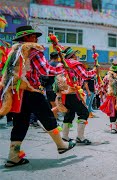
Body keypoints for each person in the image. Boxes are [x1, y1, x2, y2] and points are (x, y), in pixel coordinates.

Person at [0, 25, 76, 168]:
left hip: (17, 92)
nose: (36, 38)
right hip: (31, 90)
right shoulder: (33, 50)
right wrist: (64, 68)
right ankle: (61, 145)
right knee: (47, 116)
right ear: (27, 37)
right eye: (34, 36)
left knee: (20, 123)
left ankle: (13, 157)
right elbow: (45, 70)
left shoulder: (13, 51)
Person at [59, 47, 96, 145]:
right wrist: (95, 70)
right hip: (73, 93)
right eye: (75, 54)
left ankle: (65, 137)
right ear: (72, 56)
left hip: (64, 94)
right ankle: (80, 137)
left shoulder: (62, 64)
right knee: (84, 113)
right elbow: (86, 75)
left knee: (69, 114)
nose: (77, 56)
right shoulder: (74, 63)